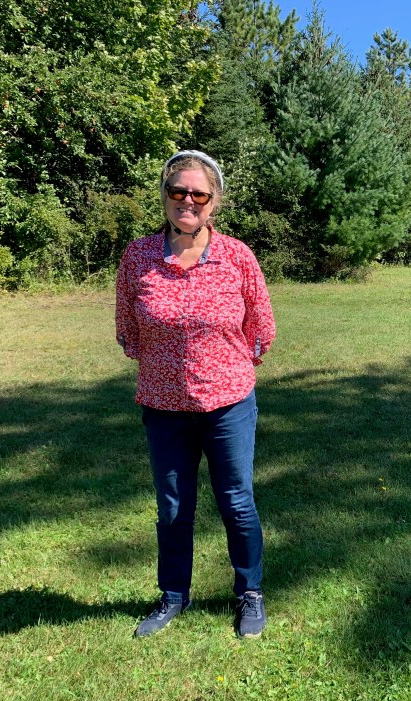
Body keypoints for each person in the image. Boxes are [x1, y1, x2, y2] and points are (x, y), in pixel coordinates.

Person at [115, 150, 276, 638]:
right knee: (172, 507)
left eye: (199, 194)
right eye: (177, 191)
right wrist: (167, 369)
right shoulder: (138, 257)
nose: (187, 200)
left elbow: (261, 328)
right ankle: (172, 596)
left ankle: (250, 593)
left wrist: (225, 370)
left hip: (228, 405)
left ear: (215, 201)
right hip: (163, 407)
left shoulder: (237, 256)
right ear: (165, 196)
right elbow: (127, 330)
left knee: (237, 501)